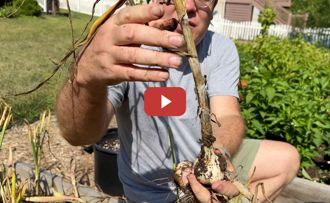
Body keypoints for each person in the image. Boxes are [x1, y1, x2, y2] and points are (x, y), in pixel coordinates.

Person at [56, 0, 300, 202]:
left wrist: (218, 155)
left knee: (286, 158)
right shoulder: (128, 49)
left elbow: (227, 115)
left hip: (204, 163)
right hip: (153, 190)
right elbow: (79, 135)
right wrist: (85, 79)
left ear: (213, 10)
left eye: (203, 0)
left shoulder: (221, 48)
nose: (189, 6)